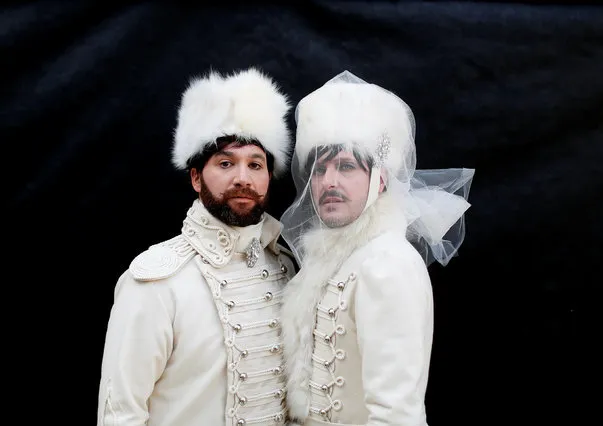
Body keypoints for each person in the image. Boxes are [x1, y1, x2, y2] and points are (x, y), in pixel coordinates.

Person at [97, 67, 298, 426]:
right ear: (195, 177)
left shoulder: (286, 267)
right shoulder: (157, 280)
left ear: (269, 177)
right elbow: (120, 414)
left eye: (256, 164)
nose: (242, 178)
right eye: (225, 163)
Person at [279, 71, 475, 425]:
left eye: (346, 167)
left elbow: (396, 413)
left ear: (380, 180)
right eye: (320, 169)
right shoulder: (336, 259)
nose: (329, 182)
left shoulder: (387, 264)